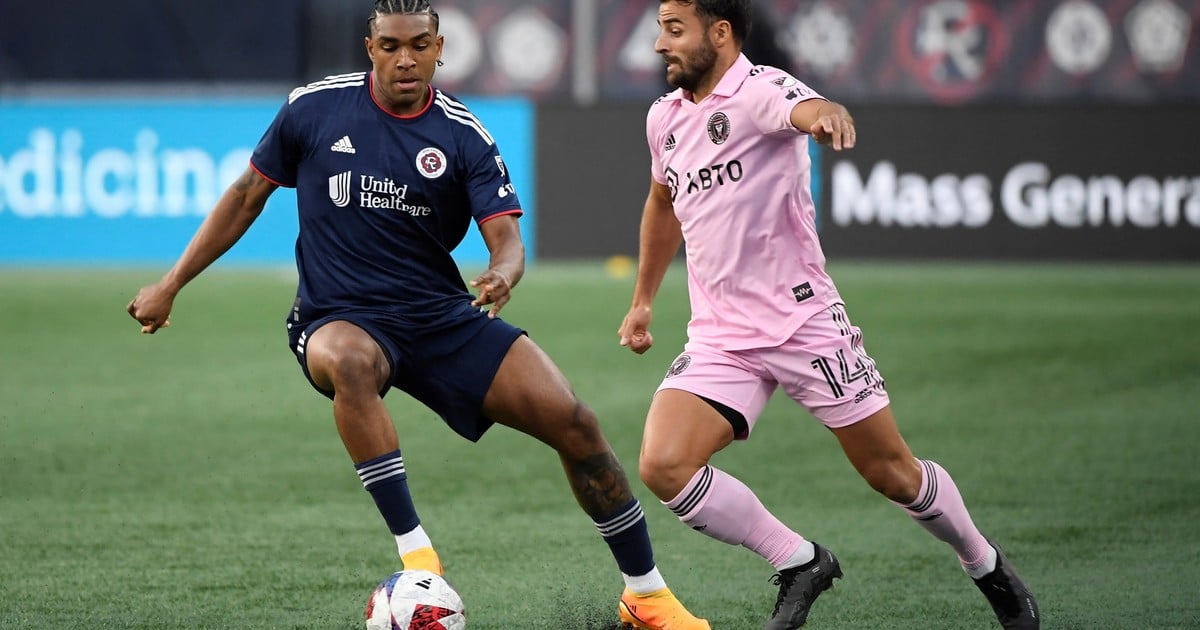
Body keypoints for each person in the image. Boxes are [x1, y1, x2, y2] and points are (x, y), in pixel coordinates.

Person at [126, 2, 708, 628]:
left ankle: (646, 595)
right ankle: (418, 554)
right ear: (370, 49)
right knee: (349, 362)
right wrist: (171, 283)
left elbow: (508, 242)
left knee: (575, 423)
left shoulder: (463, 134)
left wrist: (503, 274)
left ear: (440, 48)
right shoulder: (313, 109)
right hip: (336, 313)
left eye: (419, 46)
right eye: (391, 46)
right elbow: (245, 196)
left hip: (438, 316)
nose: (406, 59)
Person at [617, 1, 1040, 629]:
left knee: (891, 473)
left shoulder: (760, 89)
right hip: (721, 336)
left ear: (720, 33)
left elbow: (807, 109)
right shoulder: (665, 117)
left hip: (803, 324)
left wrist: (828, 114)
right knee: (663, 465)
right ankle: (800, 562)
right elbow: (661, 203)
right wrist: (643, 299)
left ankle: (984, 562)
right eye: (660, 28)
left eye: (674, 29)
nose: (659, 43)